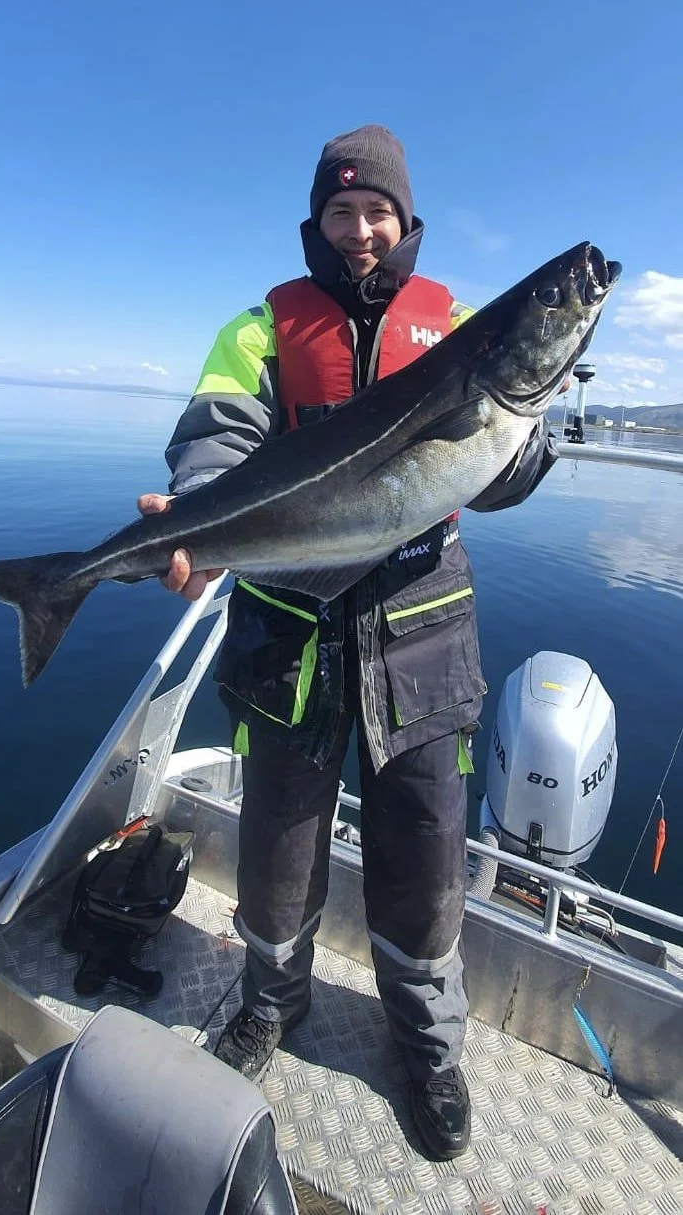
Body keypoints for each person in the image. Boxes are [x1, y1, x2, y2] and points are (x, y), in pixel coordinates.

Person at [138, 125, 559, 1161]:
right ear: (316, 223)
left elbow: (506, 475)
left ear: (403, 219)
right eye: (340, 211)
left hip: (421, 634)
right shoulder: (259, 327)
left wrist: (522, 436)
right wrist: (192, 516)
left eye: (376, 210)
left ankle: (425, 1045)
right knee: (277, 842)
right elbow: (214, 439)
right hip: (284, 630)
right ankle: (267, 1002)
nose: (359, 229)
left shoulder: (461, 326)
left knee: (422, 856)